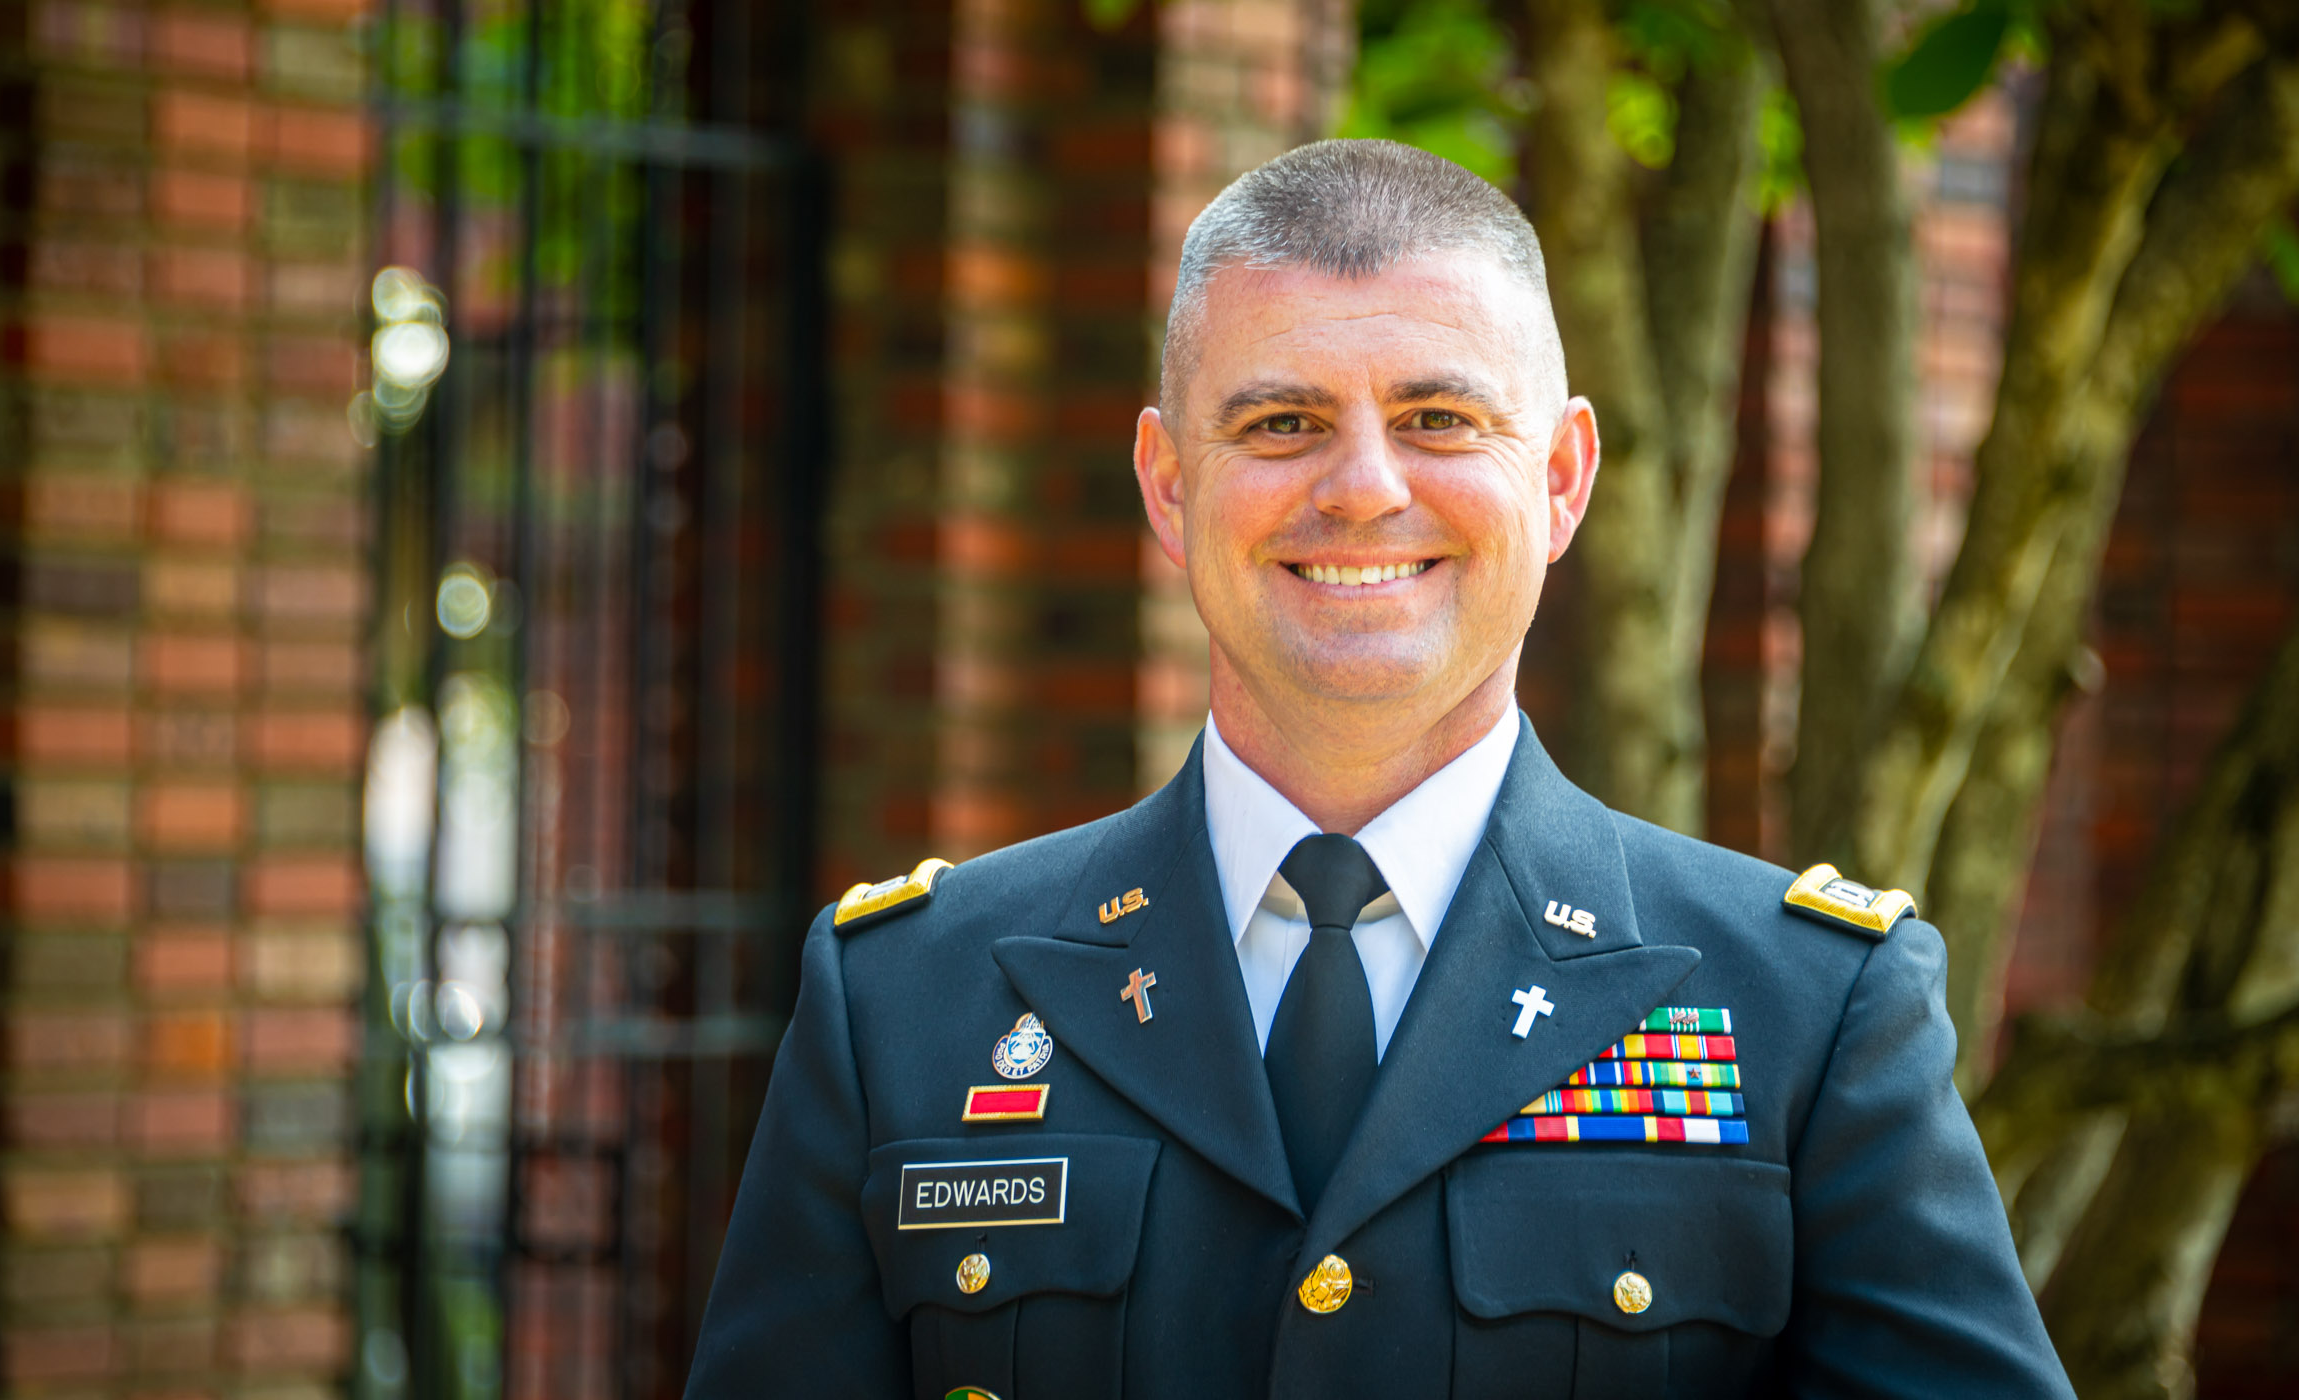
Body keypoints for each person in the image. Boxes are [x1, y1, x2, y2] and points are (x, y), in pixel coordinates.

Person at [682, 139, 2074, 1399]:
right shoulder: (906, 1004)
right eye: (1281, 422)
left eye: (1440, 419)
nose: (1362, 487)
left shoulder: (1807, 1016)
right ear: (1170, 486)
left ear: (1563, 478)